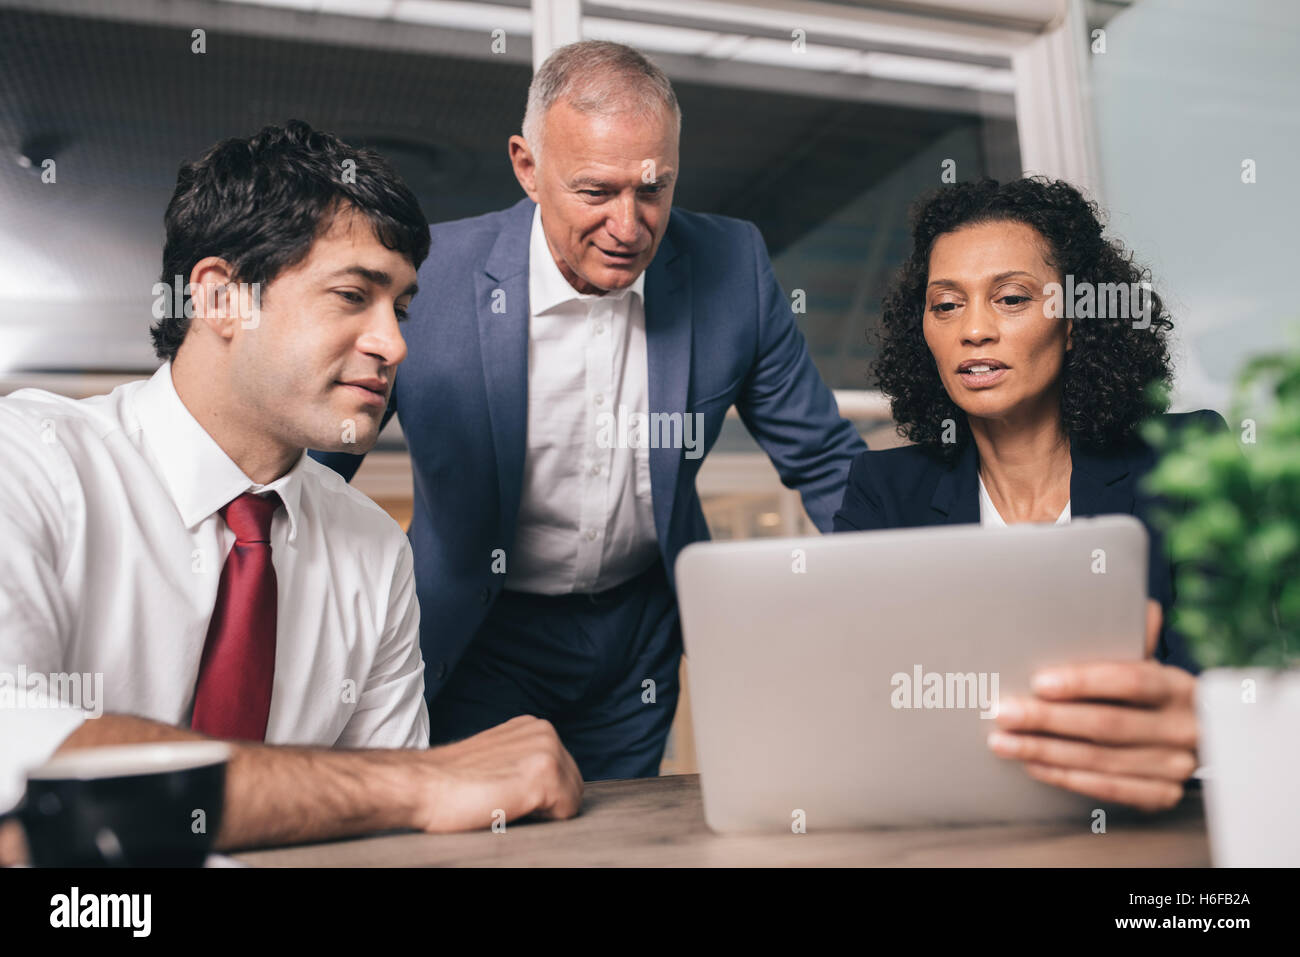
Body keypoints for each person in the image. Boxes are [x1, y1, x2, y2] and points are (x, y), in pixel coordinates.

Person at [0, 121, 581, 856]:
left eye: (399, 309)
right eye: (351, 295)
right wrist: (416, 782)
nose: (396, 343)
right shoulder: (29, 466)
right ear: (219, 299)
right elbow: (22, 765)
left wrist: (403, 791)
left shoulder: (372, 549)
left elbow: (392, 842)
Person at [312, 40, 867, 780]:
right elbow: (318, 471)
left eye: (653, 189)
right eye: (596, 192)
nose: (630, 226)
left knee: (621, 839)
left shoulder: (731, 265)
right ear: (528, 167)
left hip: (635, 637)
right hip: (479, 631)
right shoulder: (428, 277)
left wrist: (916, 589)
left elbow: (827, 460)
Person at [834, 177, 1225, 812]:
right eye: (946, 305)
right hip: (961, 823)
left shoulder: (1186, 463)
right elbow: (860, 699)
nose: (974, 330)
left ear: (1074, 323)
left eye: (1011, 298)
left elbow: (1239, 683)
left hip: (1159, 820)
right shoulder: (883, 494)